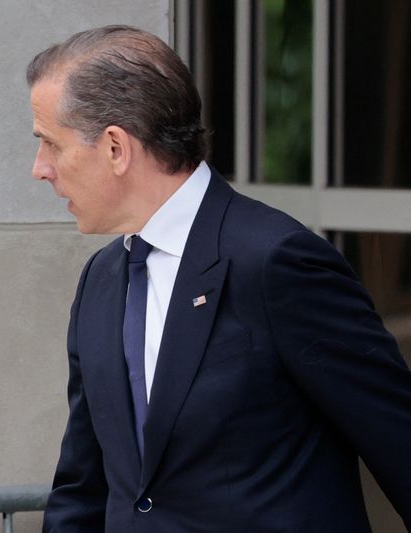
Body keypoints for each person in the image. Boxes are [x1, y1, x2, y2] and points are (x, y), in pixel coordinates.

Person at [28, 25, 411, 532]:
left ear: (116, 147)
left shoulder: (277, 261)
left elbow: (398, 441)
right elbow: (84, 487)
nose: (41, 168)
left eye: (51, 144)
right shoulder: (101, 282)